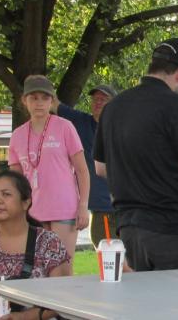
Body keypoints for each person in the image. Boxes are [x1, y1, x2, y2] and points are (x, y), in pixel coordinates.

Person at [93, 37, 178, 271]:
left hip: (128, 227)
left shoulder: (113, 108)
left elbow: (100, 168)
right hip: (172, 227)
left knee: (145, 305)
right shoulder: (176, 105)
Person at [0, 170, 68, 319]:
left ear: (26, 202)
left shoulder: (49, 242)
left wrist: (23, 317)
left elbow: (62, 298)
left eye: (6, 194)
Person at [8, 75, 90, 276]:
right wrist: (16, 211)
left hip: (64, 209)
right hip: (33, 211)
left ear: (52, 101)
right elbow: (15, 181)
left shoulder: (64, 127)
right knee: (38, 269)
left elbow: (82, 170)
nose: (39, 103)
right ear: (24, 101)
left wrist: (83, 206)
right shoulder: (17, 135)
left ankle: (63, 308)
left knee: (62, 269)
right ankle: (41, 309)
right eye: (33, 98)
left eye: (45, 98)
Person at [53, 85, 118, 248]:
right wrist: (37, 81)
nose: (98, 102)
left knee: (128, 260)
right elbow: (53, 102)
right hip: (102, 209)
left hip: (125, 207)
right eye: (95, 99)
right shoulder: (81, 121)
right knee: (108, 257)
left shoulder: (122, 129)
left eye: (103, 99)